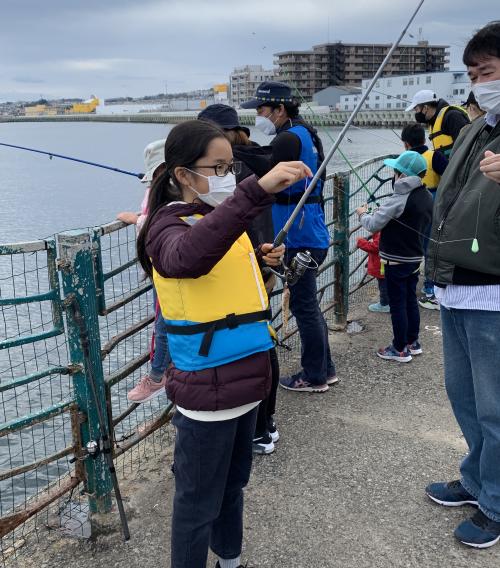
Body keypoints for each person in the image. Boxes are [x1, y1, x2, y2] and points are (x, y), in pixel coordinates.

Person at [137, 119, 310, 568]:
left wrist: (259, 260)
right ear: (181, 174)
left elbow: (224, 276)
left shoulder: (216, 219)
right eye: (217, 167)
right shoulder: (164, 226)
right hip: (206, 393)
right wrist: (254, 191)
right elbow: (186, 258)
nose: (227, 175)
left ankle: (230, 562)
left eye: (230, 165)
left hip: (249, 380)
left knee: (233, 487)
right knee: (196, 503)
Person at [424, 21, 500, 549]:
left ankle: (496, 501)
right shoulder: (478, 124)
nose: (479, 82)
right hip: (456, 281)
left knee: (496, 404)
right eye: (473, 74)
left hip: (494, 290)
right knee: (463, 394)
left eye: (489, 71)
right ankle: (477, 480)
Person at [241, 81, 337, 393]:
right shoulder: (306, 132)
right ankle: (326, 369)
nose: (259, 115)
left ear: (280, 109)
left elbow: (269, 171)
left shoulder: (286, 138)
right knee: (308, 304)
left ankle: (314, 376)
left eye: (262, 109)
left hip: (299, 237)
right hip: (312, 229)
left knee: (304, 306)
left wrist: (236, 151)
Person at [198, 103, 279, 455]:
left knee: (249, 348)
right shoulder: (256, 162)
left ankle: (259, 428)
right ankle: (264, 424)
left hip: (243, 268)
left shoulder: (233, 174)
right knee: (262, 342)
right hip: (260, 261)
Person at [356, 151, 433, 363]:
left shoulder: (399, 198)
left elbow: (372, 224)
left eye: (395, 171)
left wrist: (363, 213)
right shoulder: (426, 196)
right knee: (410, 300)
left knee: (397, 304)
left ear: (400, 175)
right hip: (415, 257)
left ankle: (399, 348)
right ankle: (412, 342)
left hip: (395, 259)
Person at [116, 139, 172, 403]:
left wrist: (135, 219)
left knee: (163, 322)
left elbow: (161, 222)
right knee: (165, 321)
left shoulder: (168, 191)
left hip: (164, 267)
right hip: (159, 266)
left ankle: (158, 374)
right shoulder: (168, 187)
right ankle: (169, 372)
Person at [400, 123, 448, 310]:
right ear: (424, 139)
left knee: (410, 246)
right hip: (433, 204)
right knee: (431, 246)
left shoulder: (404, 159)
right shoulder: (434, 156)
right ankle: (431, 289)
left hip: (409, 206)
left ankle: (413, 286)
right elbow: (449, 175)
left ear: (406, 144)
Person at [405, 89, 470, 158]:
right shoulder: (433, 122)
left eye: (416, 109)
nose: (416, 113)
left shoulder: (452, 116)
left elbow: (465, 147)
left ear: (425, 107)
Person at [356, 232, 389, 313]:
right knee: (388, 283)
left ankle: (385, 304)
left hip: (382, 265)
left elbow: (375, 247)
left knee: (383, 286)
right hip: (388, 262)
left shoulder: (381, 232)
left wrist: (360, 241)